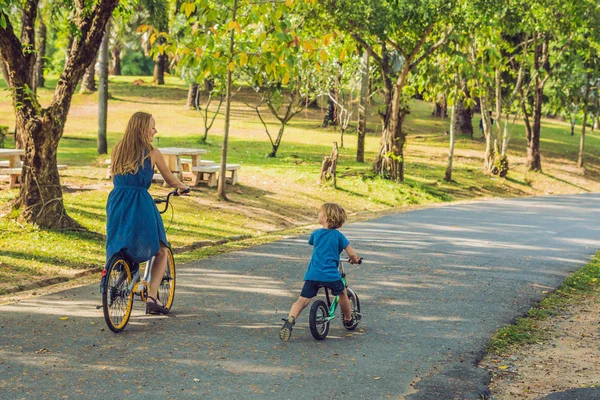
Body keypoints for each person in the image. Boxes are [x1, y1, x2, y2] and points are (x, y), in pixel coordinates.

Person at [106, 111, 190, 315]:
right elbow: (170, 179)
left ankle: (122, 277)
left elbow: (115, 176)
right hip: (140, 202)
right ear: (143, 129)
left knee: (125, 243)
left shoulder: (117, 150)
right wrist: (182, 187)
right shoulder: (153, 153)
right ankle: (152, 298)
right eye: (152, 126)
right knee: (161, 249)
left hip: (116, 201)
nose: (155, 130)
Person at [279, 202, 361, 342]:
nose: (318, 214)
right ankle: (348, 319)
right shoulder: (338, 236)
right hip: (331, 276)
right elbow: (352, 254)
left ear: (327, 218)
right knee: (342, 293)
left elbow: (313, 243)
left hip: (313, 275)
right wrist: (355, 259)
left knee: (302, 300)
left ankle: (290, 320)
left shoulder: (316, 234)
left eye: (320, 213)